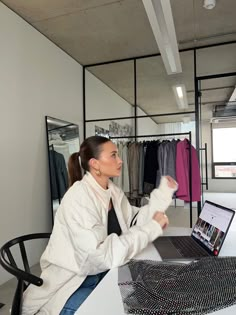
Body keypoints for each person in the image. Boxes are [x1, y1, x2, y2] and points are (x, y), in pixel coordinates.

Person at [22, 136, 177, 315]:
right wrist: (151, 229)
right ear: (95, 164)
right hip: (74, 283)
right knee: (116, 308)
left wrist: (163, 195)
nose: (120, 161)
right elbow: (96, 258)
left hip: (103, 273)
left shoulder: (112, 191)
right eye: (113, 155)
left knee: (151, 294)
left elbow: (134, 220)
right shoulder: (79, 198)